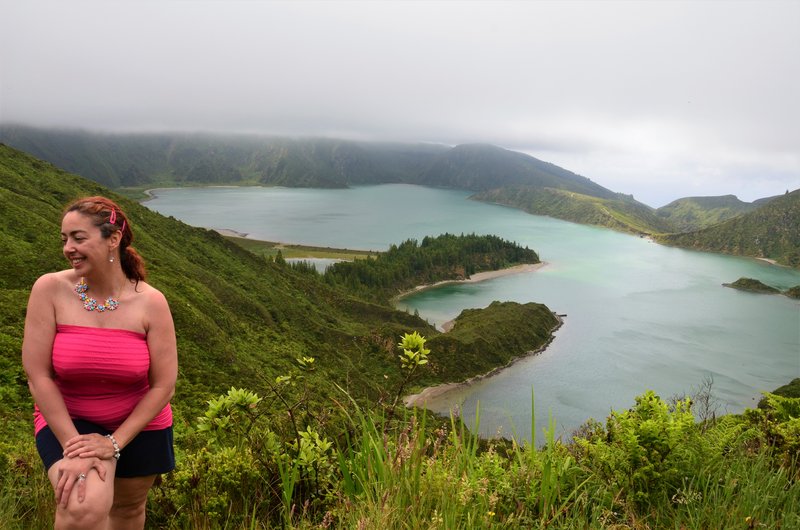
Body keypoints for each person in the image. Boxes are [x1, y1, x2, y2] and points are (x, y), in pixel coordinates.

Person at [22, 196, 177, 529]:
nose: (68, 247)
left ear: (114, 239)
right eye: (64, 239)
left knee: (128, 510)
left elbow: (164, 384)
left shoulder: (151, 303)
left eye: (78, 238)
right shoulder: (49, 290)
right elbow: (38, 376)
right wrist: (74, 447)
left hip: (139, 426)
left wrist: (113, 442)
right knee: (81, 508)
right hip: (69, 421)